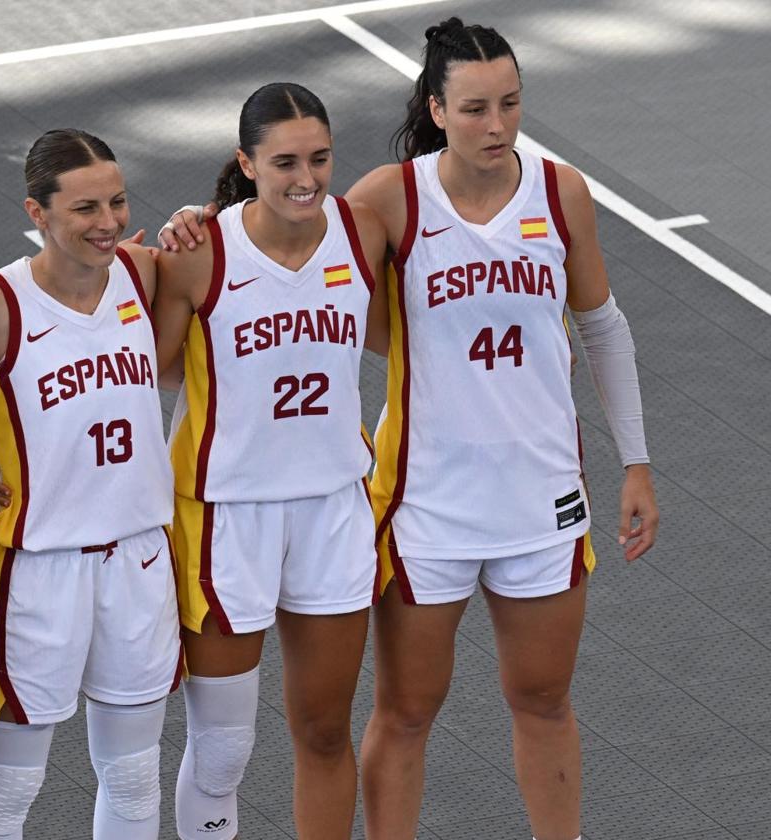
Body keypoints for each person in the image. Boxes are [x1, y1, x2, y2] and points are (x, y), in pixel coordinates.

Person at [163, 19, 659, 840]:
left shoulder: (561, 190)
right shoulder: (390, 198)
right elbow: (290, 234)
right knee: (405, 712)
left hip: (544, 495)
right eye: (473, 108)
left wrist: (635, 462)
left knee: (544, 699)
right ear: (436, 108)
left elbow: (602, 325)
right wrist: (203, 217)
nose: (495, 125)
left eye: (509, 104)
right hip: (424, 499)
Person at [154, 82, 387, 840]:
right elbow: (139, 372)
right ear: (245, 163)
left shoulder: (362, 232)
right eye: (284, 161)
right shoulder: (198, 254)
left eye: (320, 159)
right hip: (227, 514)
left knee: (325, 734)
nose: (306, 179)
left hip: (332, 510)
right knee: (223, 750)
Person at [0, 129, 181, 840]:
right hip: (38, 569)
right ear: (38, 212)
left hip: (140, 556)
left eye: (117, 203)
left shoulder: (142, 275)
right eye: (85, 208)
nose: (108, 222)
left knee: (135, 775)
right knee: (7, 787)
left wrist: (192, 221)